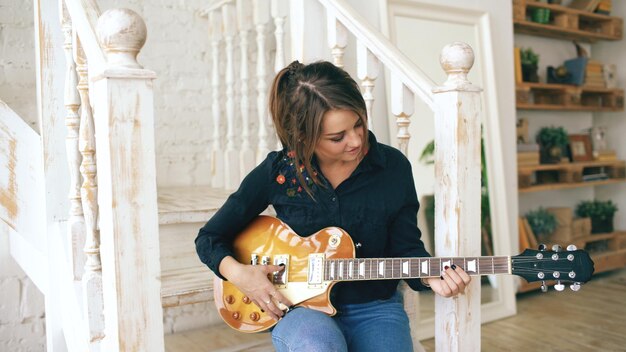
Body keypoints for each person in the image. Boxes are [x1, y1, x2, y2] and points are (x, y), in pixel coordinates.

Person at [195, 60, 471, 352]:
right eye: (337, 137)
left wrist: (431, 276)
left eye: (359, 124)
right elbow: (209, 238)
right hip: (300, 310)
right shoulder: (277, 172)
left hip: (374, 307)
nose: (355, 140)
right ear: (304, 137)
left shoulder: (392, 167)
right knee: (319, 345)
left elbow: (405, 247)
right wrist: (240, 275)